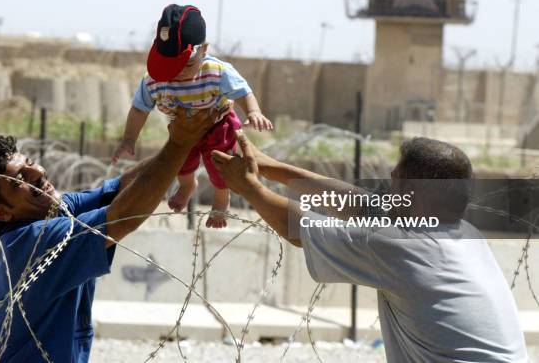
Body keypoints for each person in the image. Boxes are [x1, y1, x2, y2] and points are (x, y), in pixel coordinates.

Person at [212, 132, 529, 363]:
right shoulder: (464, 233)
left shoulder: (398, 246)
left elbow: (299, 229)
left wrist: (249, 188)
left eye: (397, 178)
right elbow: (363, 206)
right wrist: (273, 168)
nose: (389, 182)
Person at [0, 106, 220, 363]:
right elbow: (123, 216)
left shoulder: (55, 209)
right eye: (20, 178)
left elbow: (122, 187)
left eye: (30, 163)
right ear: (1, 212)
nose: (39, 173)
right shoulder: (31, 243)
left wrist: (189, 144)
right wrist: (179, 144)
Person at [112, 4, 272, 228]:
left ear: (203, 50)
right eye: (169, 66)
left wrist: (254, 111)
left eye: (185, 65)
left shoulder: (216, 71)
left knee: (220, 166)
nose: (177, 73)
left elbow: (243, 91)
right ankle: (187, 186)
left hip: (218, 125)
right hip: (183, 130)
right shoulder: (154, 80)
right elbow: (139, 109)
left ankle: (221, 200)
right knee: (180, 162)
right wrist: (129, 139)